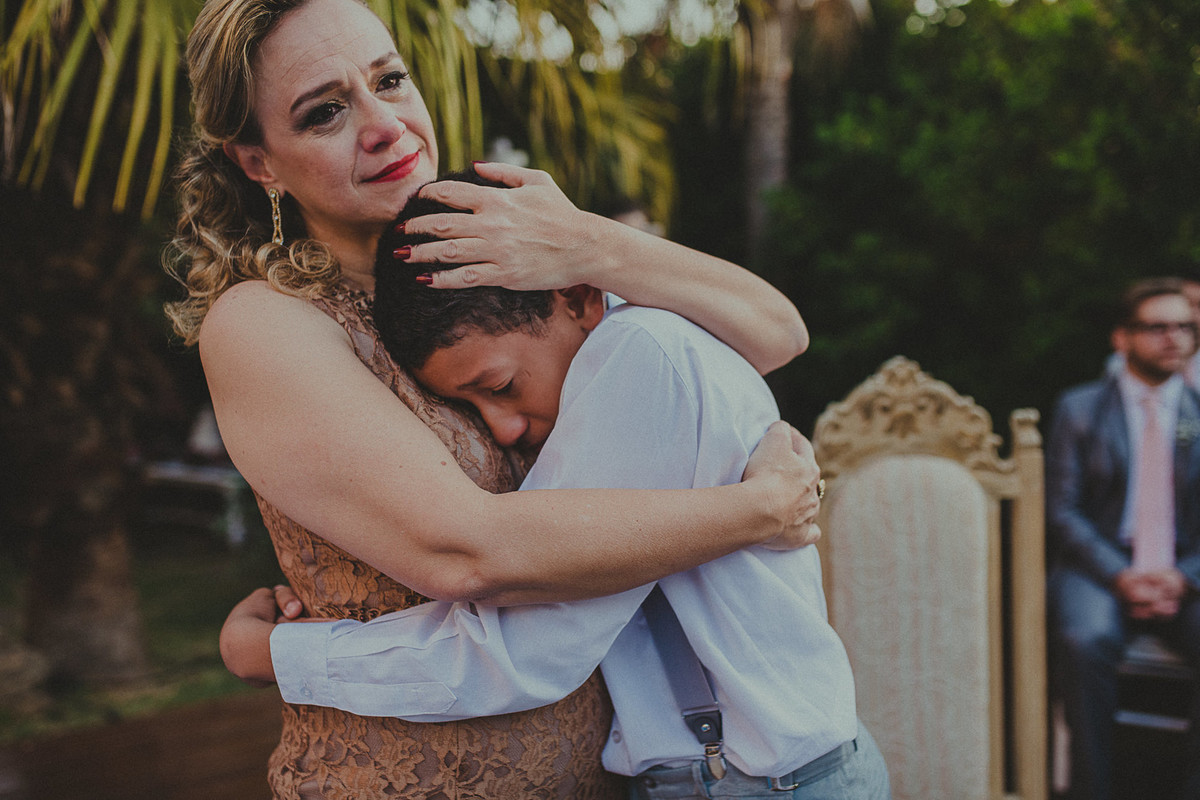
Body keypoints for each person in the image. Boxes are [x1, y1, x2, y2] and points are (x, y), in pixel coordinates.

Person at [172, 0, 823, 797]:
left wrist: (589, 242)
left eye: (390, 80)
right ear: (258, 163)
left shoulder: (501, 261)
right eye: (326, 112)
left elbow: (774, 335)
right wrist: (759, 511)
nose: (385, 126)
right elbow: (467, 552)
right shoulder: (266, 322)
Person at [222, 171, 891, 799]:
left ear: (575, 298)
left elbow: (521, 654)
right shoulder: (651, 333)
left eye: (500, 387)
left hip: (756, 784)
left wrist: (282, 656)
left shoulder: (639, 360)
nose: (504, 428)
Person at [1046, 278, 1200, 800]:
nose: (1174, 338)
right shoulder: (1080, 408)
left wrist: (1182, 577)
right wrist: (1122, 574)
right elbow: (1062, 511)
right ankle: (1091, 789)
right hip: (1101, 566)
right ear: (1122, 338)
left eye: (1185, 327)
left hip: (1183, 570)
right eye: (1157, 327)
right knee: (1085, 639)